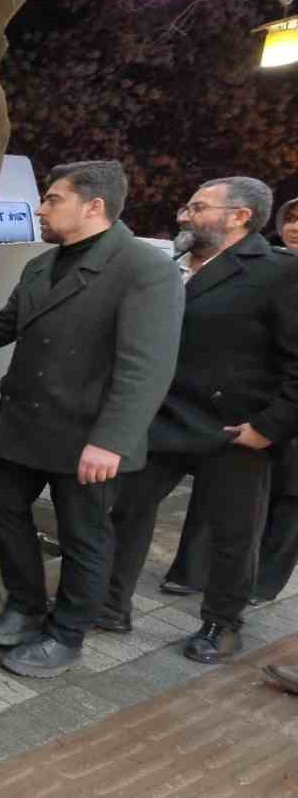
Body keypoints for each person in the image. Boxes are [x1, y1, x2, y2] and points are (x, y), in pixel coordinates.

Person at [0, 160, 183, 678]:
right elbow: (3, 326)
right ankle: (25, 607)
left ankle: (66, 634)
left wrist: (111, 440)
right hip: (23, 426)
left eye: (52, 199)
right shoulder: (42, 265)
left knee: (83, 535)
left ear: (94, 206)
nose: (41, 209)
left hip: (88, 435)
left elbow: (146, 365)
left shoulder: (143, 268)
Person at [103, 176, 298, 664]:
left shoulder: (277, 273)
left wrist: (269, 427)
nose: (183, 215)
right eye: (187, 206)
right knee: (126, 511)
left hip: (235, 431)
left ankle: (222, 624)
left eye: (198, 207)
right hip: (164, 418)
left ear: (239, 217)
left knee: (232, 534)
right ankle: (110, 606)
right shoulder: (168, 266)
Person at [156, 194, 298, 605]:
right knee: (212, 508)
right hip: (223, 419)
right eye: (291, 218)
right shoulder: (255, 267)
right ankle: (189, 571)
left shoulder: (281, 274)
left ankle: (246, 599)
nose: (294, 227)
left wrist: (271, 425)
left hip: (272, 419)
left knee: (275, 509)